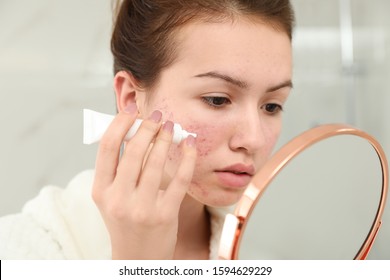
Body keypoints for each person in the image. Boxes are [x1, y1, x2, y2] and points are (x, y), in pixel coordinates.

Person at [0, 0, 294, 260]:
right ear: (131, 99)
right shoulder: (24, 251)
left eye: (271, 106)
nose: (253, 140)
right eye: (217, 99)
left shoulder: (256, 261)